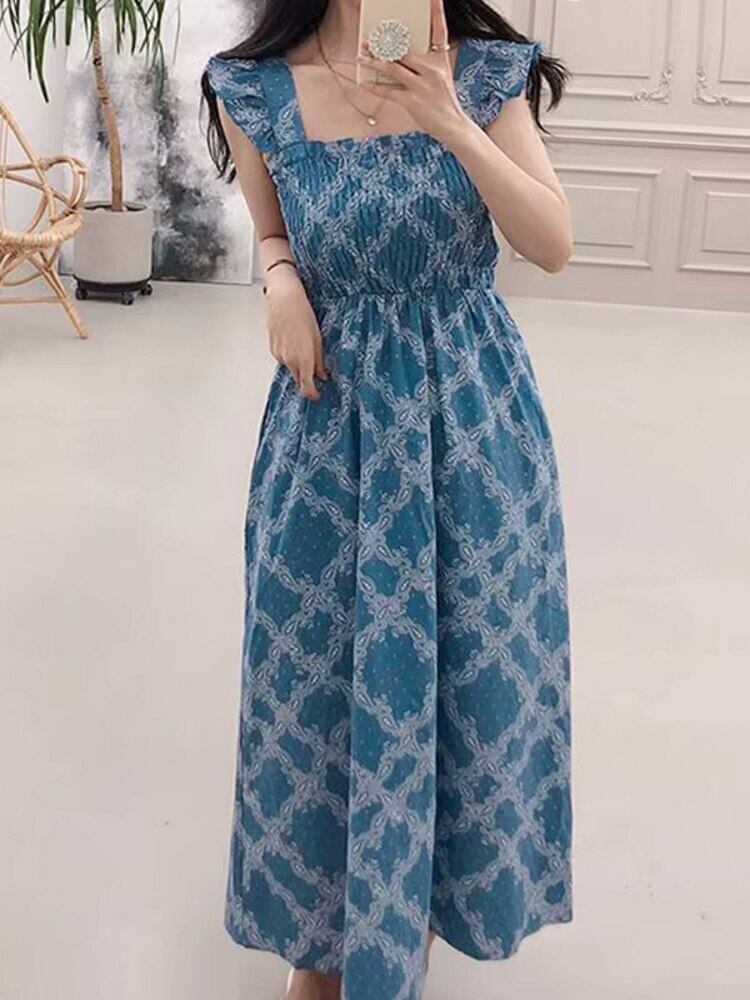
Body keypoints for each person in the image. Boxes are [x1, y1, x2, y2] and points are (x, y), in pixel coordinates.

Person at [202, 1, 573, 997]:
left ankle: (405, 923)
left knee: (464, 689)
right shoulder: (253, 88)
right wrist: (281, 281)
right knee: (313, 691)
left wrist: (450, 119)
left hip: (471, 437)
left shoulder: (484, 74)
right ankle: (322, 951)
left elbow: (551, 241)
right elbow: (271, 227)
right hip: (329, 436)